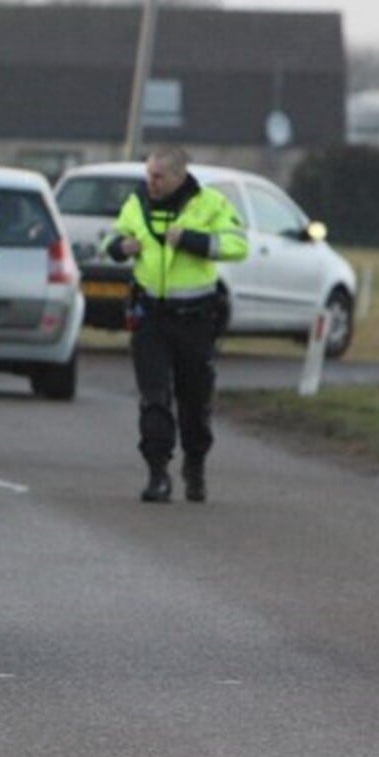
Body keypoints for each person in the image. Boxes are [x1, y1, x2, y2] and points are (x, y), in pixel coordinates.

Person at [102, 145, 249, 504]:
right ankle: (158, 473)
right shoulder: (136, 203)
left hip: (195, 319)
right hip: (150, 316)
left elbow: (237, 245)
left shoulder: (209, 203)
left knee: (194, 402)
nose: (150, 182)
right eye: (148, 174)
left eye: (158, 176)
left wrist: (191, 241)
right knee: (154, 398)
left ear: (178, 176)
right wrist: (122, 247)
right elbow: (111, 239)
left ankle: (194, 466)